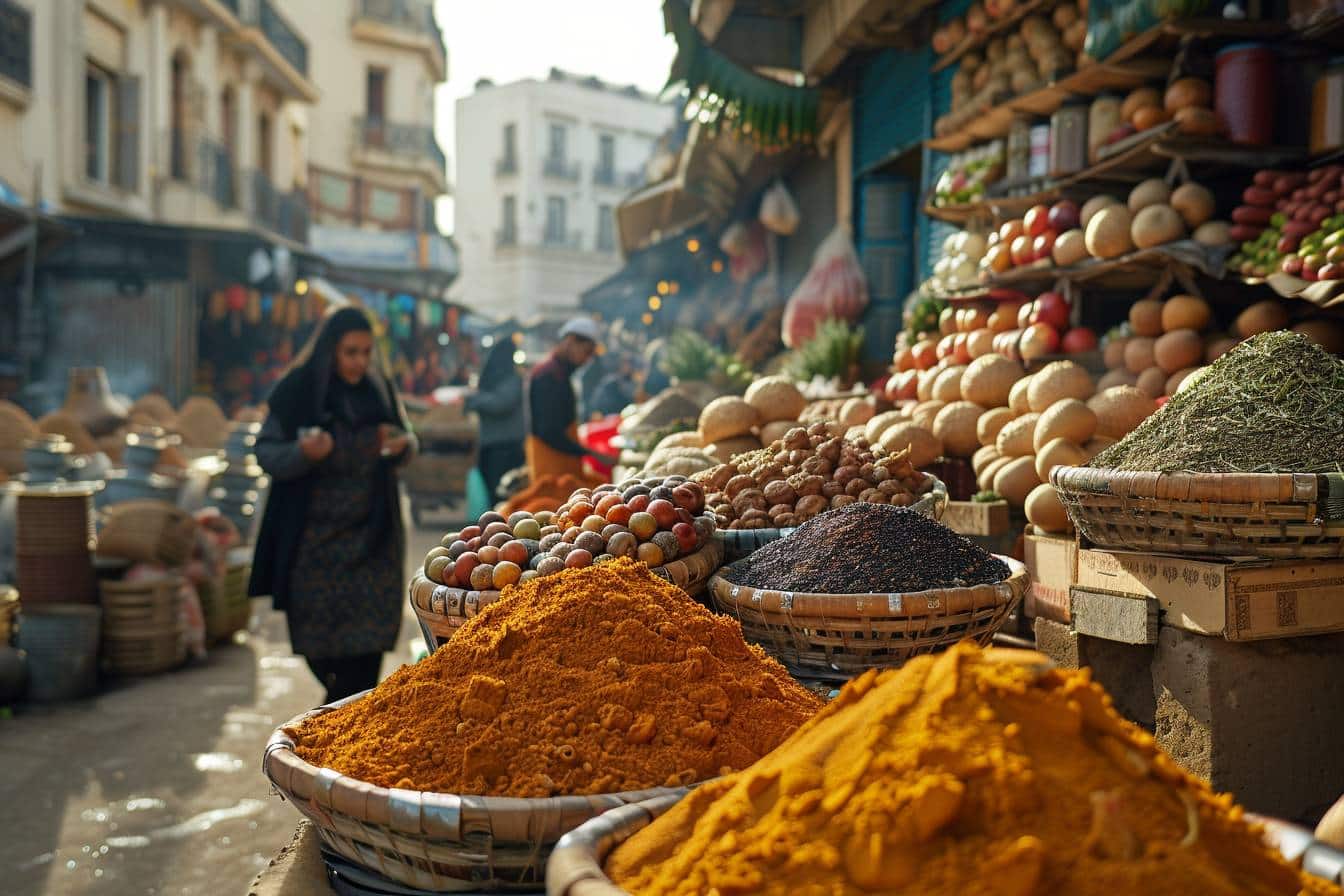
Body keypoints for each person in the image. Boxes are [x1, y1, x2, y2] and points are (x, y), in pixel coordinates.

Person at [248, 306, 417, 704]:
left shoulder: (378, 388)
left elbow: (407, 437)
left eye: (365, 352)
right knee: (318, 646)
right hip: (314, 543)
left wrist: (402, 446)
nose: (360, 362)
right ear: (330, 351)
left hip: (373, 542)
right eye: (350, 352)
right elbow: (266, 451)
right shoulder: (298, 389)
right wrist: (302, 452)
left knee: (367, 653)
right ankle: (338, 716)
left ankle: (339, 726)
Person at [524, 318, 616, 480]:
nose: (586, 360)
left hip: (564, 464)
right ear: (570, 341)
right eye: (586, 352)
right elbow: (549, 431)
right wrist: (591, 452)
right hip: (551, 466)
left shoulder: (560, 374)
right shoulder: (548, 375)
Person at [463, 340, 525, 500]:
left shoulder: (512, 380)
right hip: (492, 447)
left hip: (506, 448)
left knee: (504, 496)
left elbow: (501, 404)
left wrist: (474, 400)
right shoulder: (497, 380)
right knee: (495, 494)